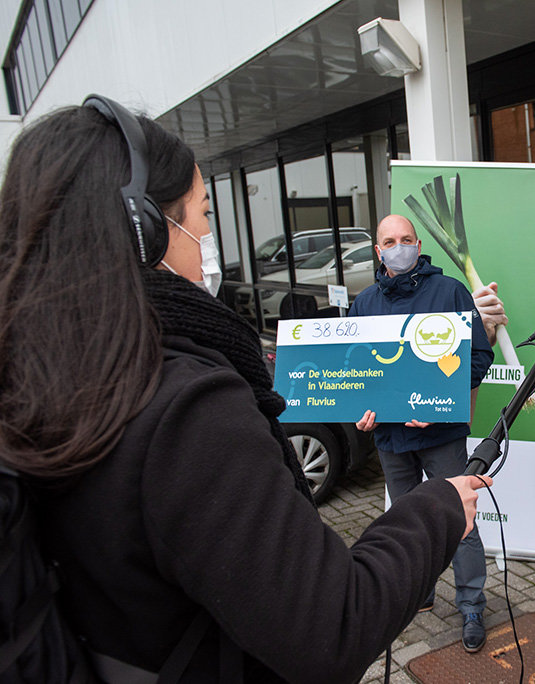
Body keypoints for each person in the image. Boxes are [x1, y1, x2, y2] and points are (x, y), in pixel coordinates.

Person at [0, 99, 491, 682]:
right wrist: (433, 513)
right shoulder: (186, 410)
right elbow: (330, 625)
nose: (208, 232)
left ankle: (468, 603)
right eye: (202, 210)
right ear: (146, 227)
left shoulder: (42, 378)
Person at [350, 214, 494, 653]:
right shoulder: (364, 302)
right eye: (389, 241)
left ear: (418, 243)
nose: (399, 247)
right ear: (378, 251)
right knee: (407, 517)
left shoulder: (448, 291)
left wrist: (438, 404)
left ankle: (471, 604)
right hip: (391, 439)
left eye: (406, 239)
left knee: (460, 518)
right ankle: (422, 590)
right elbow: (355, 371)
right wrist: (360, 410)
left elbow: (478, 357)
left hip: (441, 434)